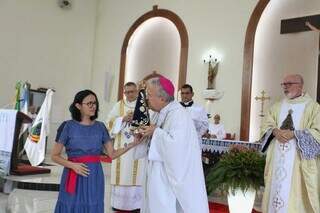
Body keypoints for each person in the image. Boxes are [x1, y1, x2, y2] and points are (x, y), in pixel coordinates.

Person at [51, 89, 141, 213]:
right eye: (89, 103)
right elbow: (54, 156)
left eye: (95, 103)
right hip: (73, 173)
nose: (93, 106)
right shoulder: (67, 126)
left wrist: (131, 145)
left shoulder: (100, 127)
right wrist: (72, 165)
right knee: (71, 204)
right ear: (78, 106)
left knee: (92, 205)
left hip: (94, 175)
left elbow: (112, 154)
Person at [136, 76, 209, 213]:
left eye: (149, 95)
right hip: (158, 171)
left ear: (162, 98)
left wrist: (155, 133)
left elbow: (177, 148)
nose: (147, 99)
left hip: (168, 175)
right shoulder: (160, 113)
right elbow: (156, 138)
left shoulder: (178, 115)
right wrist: (144, 136)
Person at [260, 74, 320, 213]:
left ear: (300, 85)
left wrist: (295, 134)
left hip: (298, 163)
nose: (285, 87)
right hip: (277, 160)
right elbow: (265, 126)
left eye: (289, 83)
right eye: (284, 84)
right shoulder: (277, 106)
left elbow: (318, 132)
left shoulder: (313, 107)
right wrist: (274, 131)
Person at [106, 82, 146, 212]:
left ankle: (136, 205)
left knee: (137, 174)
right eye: (126, 92)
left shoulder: (143, 104)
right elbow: (109, 122)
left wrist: (135, 119)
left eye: (132, 91)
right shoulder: (119, 105)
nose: (129, 94)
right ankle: (119, 204)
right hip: (121, 147)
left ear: (136, 91)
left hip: (137, 145)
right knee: (122, 173)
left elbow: (148, 122)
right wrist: (122, 119)